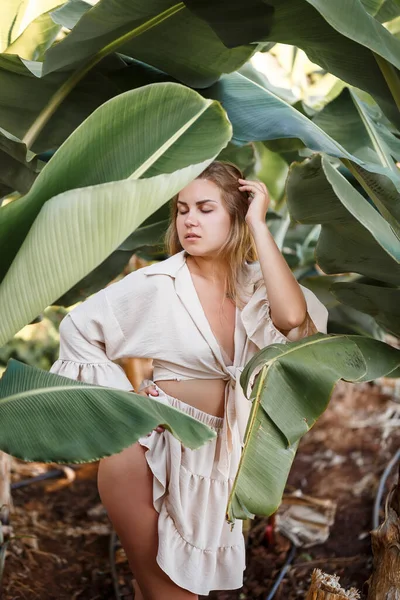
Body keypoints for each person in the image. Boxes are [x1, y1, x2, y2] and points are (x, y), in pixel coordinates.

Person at [50, 161, 328, 600]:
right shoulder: (160, 284)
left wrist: (259, 225)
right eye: (182, 210)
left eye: (204, 208)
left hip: (216, 460)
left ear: (235, 217)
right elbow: (78, 329)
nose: (189, 221)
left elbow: (294, 321)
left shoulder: (259, 285)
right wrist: (127, 406)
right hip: (148, 455)